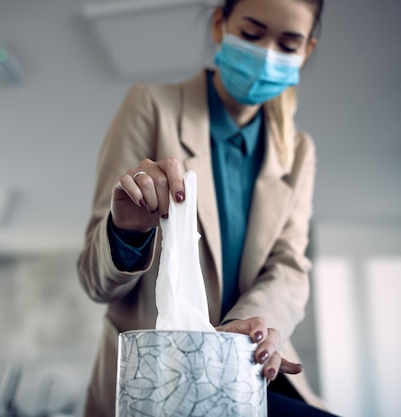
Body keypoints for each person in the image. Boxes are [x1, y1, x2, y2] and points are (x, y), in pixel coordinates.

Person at [78, 0, 337, 415]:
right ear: (220, 24)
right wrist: (127, 232)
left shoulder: (300, 152)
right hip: (158, 379)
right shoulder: (150, 105)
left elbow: (289, 265)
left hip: (248, 368)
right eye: (251, 34)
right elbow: (95, 283)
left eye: (287, 45)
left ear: (306, 52)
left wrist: (250, 326)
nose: (267, 54)